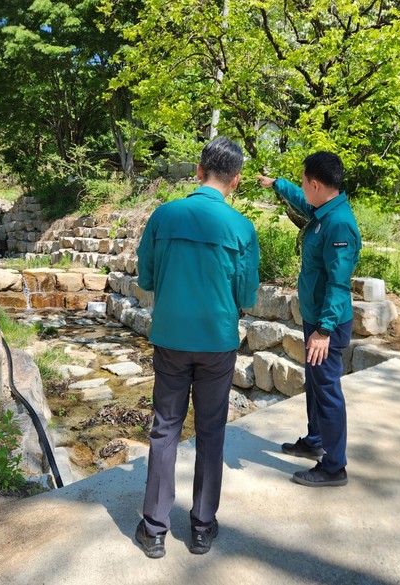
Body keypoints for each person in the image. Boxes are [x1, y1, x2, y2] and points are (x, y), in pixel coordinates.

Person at [134, 137, 260, 558]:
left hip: (170, 339)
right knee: (211, 431)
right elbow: (247, 295)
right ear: (236, 180)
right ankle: (202, 527)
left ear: (199, 171)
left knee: (165, 428)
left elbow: (146, 279)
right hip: (216, 343)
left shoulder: (164, 215)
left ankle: (154, 530)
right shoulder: (242, 228)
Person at [257, 151, 361, 488]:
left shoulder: (339, 223)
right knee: (316, 385)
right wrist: (277, 184)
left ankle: (334, 467)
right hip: (316, 319)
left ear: (316, 184)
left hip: (327, 325)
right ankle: (315, 440)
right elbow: (301, 201)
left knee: (327, 390)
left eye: (303, 182)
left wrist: (324, 330)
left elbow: (339, 283)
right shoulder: (322, 211)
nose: (302, 188)